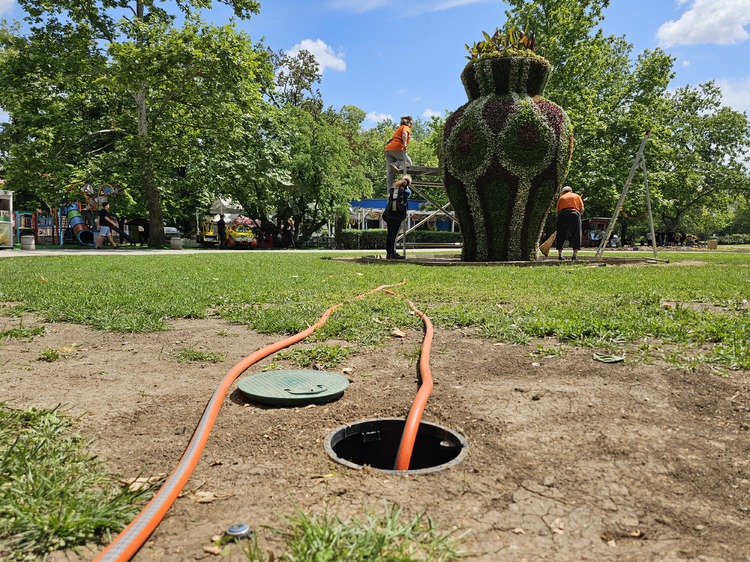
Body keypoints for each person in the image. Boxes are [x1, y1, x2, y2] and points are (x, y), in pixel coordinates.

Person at [383, 175, 412, 260]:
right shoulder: (406, 191)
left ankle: (388, 253)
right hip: (398, 215)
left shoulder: (393, 189)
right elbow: (407, 196)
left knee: (389, 234)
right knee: (394, 235)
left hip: (389, 214)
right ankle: (393, 253)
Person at [555, 185, 584, 261]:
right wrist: (578, 215)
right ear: (570, 190)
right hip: (574, 213)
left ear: (563, 192)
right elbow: (582, 209)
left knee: (561, 234)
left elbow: (558, 211)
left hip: (563, 214)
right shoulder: (577, 196)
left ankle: (560, 255)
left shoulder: (561, 198)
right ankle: (574, 255)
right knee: (576, 234)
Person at [385, 115, 414, 190]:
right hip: (397, 147)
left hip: (388, 149)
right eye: (411, 123)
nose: (411, 125)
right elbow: (404, 133)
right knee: (408, 162)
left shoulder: (399, 129)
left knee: (390, 172)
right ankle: (395, 164)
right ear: (408, 123)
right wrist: (404, 144)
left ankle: (390, 192)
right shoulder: (405, 127)